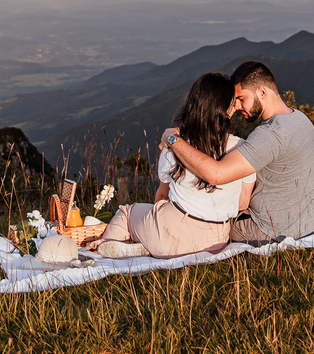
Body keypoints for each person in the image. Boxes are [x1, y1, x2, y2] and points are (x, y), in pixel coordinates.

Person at [91, 72, 256, 259]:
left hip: (171, 233)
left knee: (127, 212)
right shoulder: (243, 149)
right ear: (225, 110)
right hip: (216, 240)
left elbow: (162, 195)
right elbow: (243, 203)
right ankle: (140, 245)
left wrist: (154, 224)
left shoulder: (176, 147)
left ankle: (103, 254)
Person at [160, 61, 314, 245]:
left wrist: (173, 139)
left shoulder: (271, 134)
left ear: (262, 92)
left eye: (241, 98)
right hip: (312, 223)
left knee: (211, 226)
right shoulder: (300, 118)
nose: (237, 106)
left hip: (273, 231)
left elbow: (216, 174)